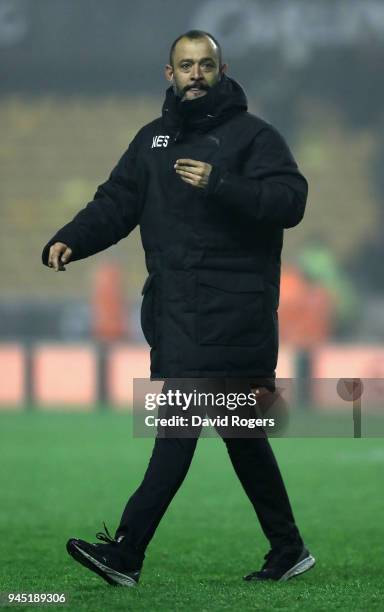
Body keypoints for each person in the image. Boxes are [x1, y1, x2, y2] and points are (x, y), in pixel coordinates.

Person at [41, 30, 315, 587]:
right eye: (185, 66)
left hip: (231, 316)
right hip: (178, 314)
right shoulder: (153, 142)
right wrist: (72, 237)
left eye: (205, 65)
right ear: (170, 74)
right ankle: (288, 549)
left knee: (176, 429)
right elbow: (116, 202)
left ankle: (127, 552)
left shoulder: (254, 138)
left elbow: (291, 201)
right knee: (242, 435)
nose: (195, 74)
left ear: (221, 70)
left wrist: (222, 184)